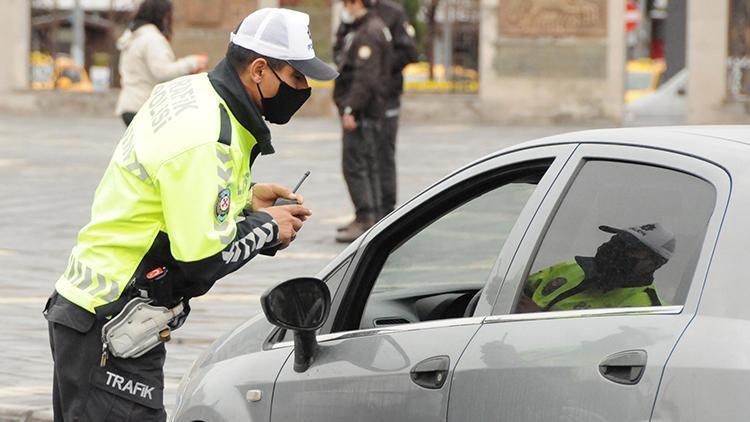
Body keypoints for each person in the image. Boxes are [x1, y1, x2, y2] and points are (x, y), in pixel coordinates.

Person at [44, 8, 338, 420]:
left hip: (96, 312)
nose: (303, 89)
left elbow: (175, 197)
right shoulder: (206, 136)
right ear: (258, 70)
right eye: (295, 77)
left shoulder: (193, 93)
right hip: (113, 322)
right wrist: (267, 229)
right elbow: (200, 259)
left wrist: (247, 200)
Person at [334, 0, 418, 236]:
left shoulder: (391, 14)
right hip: (362, 96)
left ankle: (384, 214)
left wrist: (379, 67)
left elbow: (408, 51)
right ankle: (369, 216)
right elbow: (341, 48)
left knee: (381, 156)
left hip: (381, 97)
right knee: (365, 158)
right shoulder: (355, 19)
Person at [333, 0, 394, 243]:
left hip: (363, 113)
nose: (345, 8)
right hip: (370, 111)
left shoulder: (369, 31)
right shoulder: (372, 26)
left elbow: (365, 79)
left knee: (356, 166)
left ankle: (366, 218)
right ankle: (372, 217)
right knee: (369, 163)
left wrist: (351, 109)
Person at [517, 223, 676, 313]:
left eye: (629, 248)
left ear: (651, 264)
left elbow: (594, 355)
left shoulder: (645, 309)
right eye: (618, 240)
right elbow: (514, 291)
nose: (614, 248)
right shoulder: (572, 268)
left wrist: (538, 319)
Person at [115, 0, 209, 127]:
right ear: (162, 16)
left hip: (129, 104)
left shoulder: (133, 37)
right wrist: (194, 62)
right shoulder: (152, 39)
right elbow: (163, 73)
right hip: (144, 106)